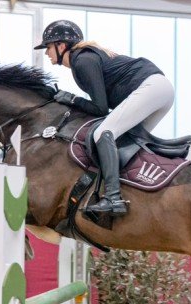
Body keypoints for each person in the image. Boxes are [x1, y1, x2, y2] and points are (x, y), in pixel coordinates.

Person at [34, 20, 175, 217]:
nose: (47, 53)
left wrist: (71, 98)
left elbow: (100, 108)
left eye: (48, 47)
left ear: (62, 46)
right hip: (160, 90)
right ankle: (132, 193)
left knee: (103, 133)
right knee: (126, 140)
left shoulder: (82, 61)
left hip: (151, 88)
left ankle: (113, 198)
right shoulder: (85, 58)